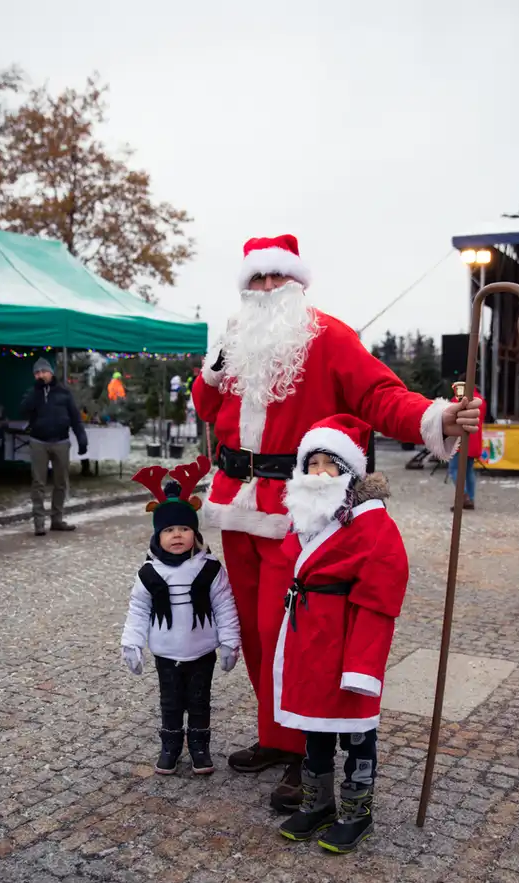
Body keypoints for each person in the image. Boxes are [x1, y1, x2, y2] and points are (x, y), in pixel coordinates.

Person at [192, 233, 481, 811]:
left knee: (294, 634)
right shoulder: (232, 341)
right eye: (259, 280)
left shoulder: (329, 336)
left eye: (278, 278)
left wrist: (440, 416)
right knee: (253, 631)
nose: (268, 289)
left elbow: (381, 396)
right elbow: (207, 409)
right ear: (246, 287)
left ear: (297, 283)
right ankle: (278, 737)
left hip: (302, 508)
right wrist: (212, 376)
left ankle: (308, 751)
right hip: (235, 503)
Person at [273, 415, 407, 852]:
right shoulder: (306, 518)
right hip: (308, 636)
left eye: (330, 465)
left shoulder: (371, 523)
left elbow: (381, 595)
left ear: (348, 472)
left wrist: (363, 665)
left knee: (354, 730)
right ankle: (318, 802)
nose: (319, 474)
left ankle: (357, 811)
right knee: (314, 727)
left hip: (345, 640)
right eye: (311, 465)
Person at [121, 458, 240, 774]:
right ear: (157, 536)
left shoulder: (210, 570)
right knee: (171, 703)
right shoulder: (149, 574)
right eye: (169, 530)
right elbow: (138, 610)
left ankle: (200, 746)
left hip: (202, 651)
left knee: (200, 701)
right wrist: (131, 644)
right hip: (166, 653)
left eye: (185, 528)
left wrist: (230, 642)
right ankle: (171, 744)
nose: (177, 535)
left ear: (195, 533)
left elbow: (225, 606)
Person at [21, 358, 88, 536]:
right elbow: (23, 410)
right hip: (38, 441)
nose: (40, 375)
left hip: (60, 441)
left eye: (43, 371)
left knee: (60, 482)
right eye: (37, 373)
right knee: (38, 483)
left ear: (51, 372)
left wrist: (82, 438)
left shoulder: (64, 393)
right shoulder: (33, 393)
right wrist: (35, 392)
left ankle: (57, 519)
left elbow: (75, 417)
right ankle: (39, 523)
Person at [448, 379, 486, 511]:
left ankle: (463, 496)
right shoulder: (480, 399)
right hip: (474, 441)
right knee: (469, 470)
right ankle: (471, 497)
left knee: (454, 470)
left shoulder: (458, 400)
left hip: (460, 441)